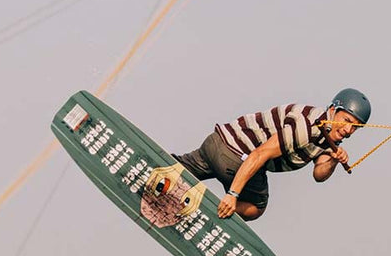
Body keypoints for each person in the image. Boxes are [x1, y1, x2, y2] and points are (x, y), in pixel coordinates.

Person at [148, 88, 372, 223]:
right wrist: (232, 195)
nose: (348, 130)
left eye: (355, 128)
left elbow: (319, 174)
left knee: (180, 170)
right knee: (256, 207)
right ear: (333, 109)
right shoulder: (306, 127)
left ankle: (152, 168)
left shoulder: (327, 137)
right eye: (347, 122)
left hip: (214, 143)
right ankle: (204, 206)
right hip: (235, 159)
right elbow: (260, 154)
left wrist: (333, 159)